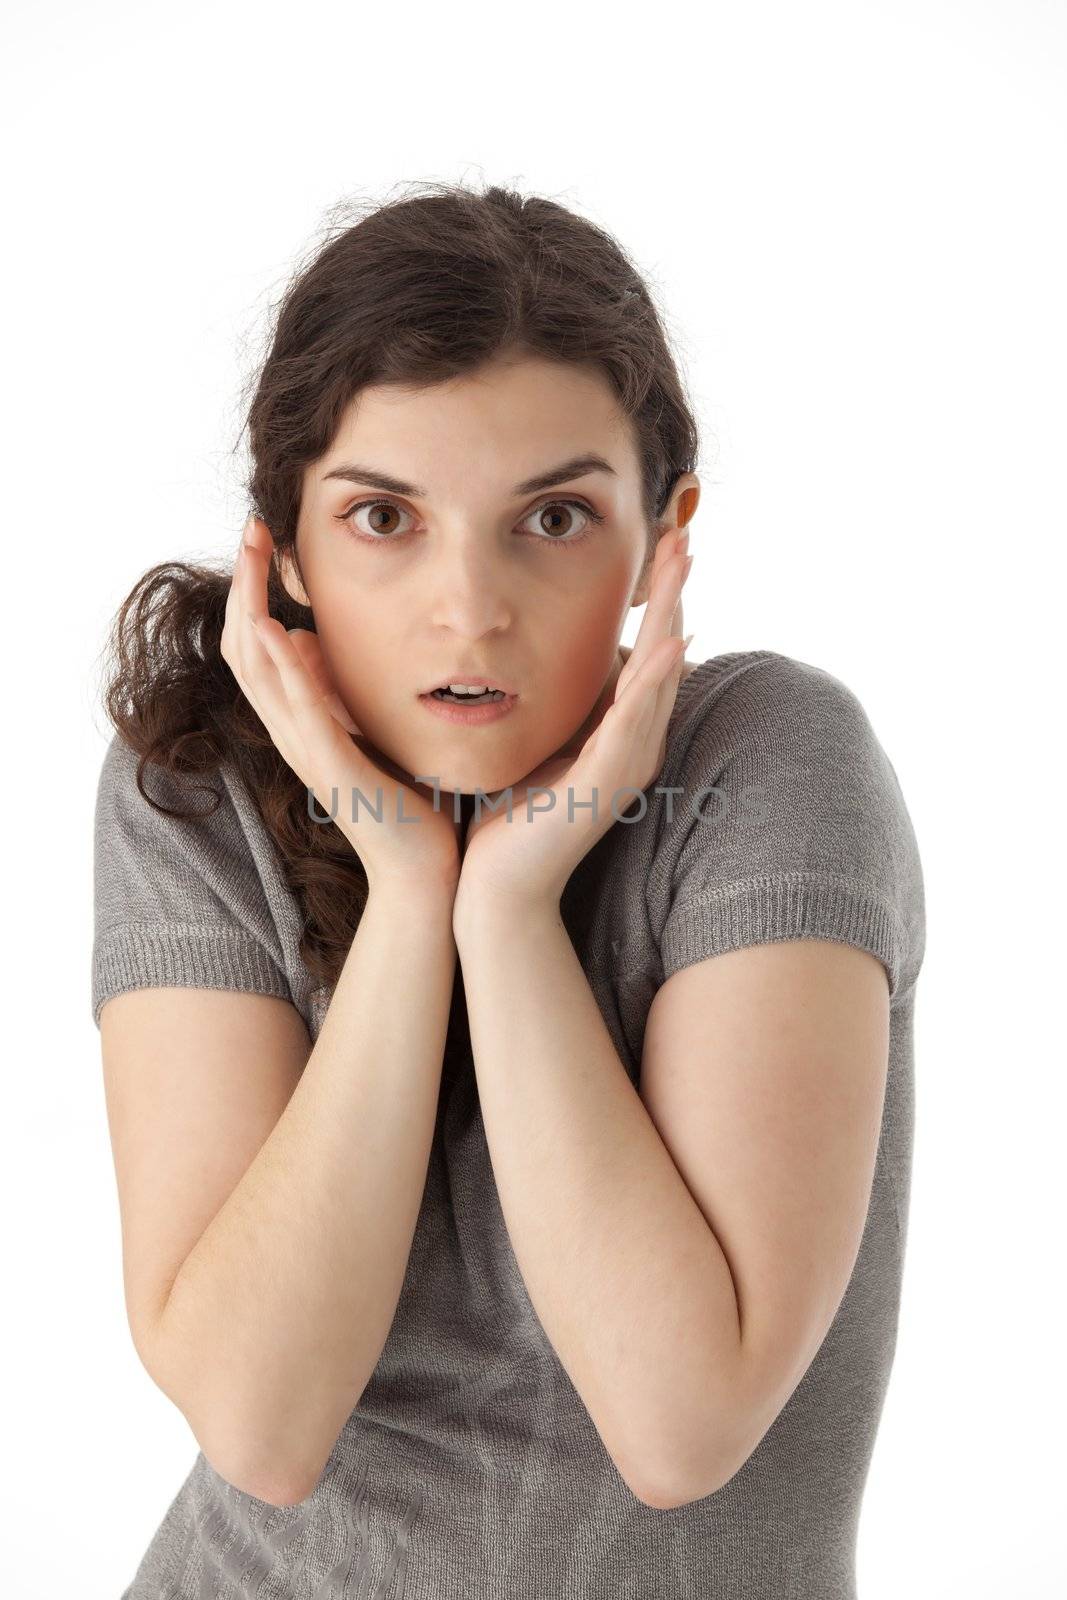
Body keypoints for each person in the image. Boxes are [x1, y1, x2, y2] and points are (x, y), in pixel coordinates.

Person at [92, 180, 925, 1599]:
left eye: (550, 519)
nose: (468, 608)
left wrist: (508, 912)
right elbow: (262, 1425)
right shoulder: (196, 790)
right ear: (278, 551)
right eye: (382, 518)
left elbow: (681, 1424)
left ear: (666, 536)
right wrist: (412, 893)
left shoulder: (769, 762)